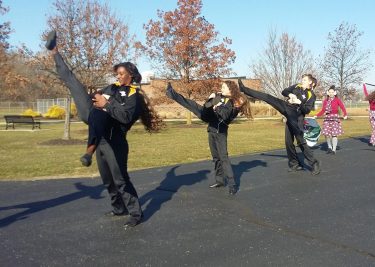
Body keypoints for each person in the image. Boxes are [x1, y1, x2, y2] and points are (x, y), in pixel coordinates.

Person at [46, 31, 163, 228]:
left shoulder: (135, 95)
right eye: (116, 73)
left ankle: (135, 213)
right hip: (98, 131)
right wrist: (95, 97)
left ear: (131, 75)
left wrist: (105, 104)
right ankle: (54, 52)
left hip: (114, 140)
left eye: (121, 73)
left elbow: (125, 117)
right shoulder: (112, 87)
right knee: (74, 84)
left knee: (119, 180)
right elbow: (97, 98)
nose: (117, 76)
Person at [165, 80, 252, 195]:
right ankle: (171, 93)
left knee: (223, 158)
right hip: (211, 125)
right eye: (222, 87)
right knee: (192, 104)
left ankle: (232, 184)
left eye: (224, 87)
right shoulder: (220, 97)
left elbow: (225, 116)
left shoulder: (233, 102)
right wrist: (212, 101)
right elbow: (211, 107)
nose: (222, 88)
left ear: (231, 89)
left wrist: (215, 104)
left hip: (220, 131)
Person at [238, 75, 321, 175]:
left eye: (305, 80)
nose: (302, 81)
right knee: (268, 98)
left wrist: (299, 102)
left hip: (297, 117)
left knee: (300, 141)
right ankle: (295, 164)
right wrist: (290, 95)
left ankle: (314, 164)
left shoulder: (311, 95)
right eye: (302, 79)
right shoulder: (297, 86)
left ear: (311, 83)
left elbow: (307, 110)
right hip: (286, 107)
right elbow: (284, 91)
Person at [315, 86, 347, 154]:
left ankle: (334, 149)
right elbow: (323, 110)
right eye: (330, 92)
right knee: (326, 134)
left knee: (334, 134)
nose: (331, 93)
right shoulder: (325, 101)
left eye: (332, 92)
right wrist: (317, 115)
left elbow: (342, 107)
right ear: (328, 93)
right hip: (327, 118)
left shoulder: (337, 100)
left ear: (335, 93)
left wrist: (345, 114)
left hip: (335, 118)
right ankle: (329, 147)